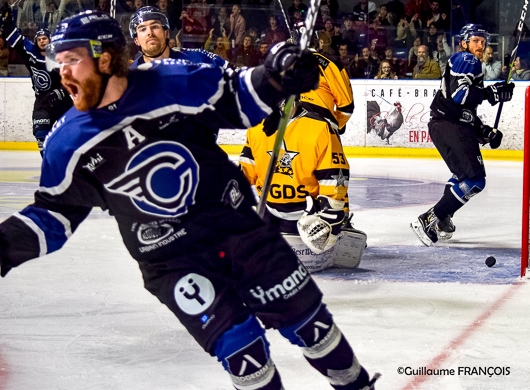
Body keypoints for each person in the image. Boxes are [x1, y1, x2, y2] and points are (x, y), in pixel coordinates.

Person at [0, 9, 376, 390]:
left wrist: (279, 74)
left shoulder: (172, 81)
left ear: (106, 58)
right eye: (58, 62)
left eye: (72, 60)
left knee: (315, 330)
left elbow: (241, 95)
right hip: (171, 262)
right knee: (246, 358)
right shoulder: (68, 142)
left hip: (238, 230)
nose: (62, 74)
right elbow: (52, 216)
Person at [239, 49, 366, 271]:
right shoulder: (257, 128)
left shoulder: (319, 129)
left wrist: (331, 217)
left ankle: (340, 227)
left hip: (307, 216)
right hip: (269, 209)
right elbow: (243, 176)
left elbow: (334, 184)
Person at [411, 24, 514, 246]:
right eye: (476, 40)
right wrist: (490, 93)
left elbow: (464, 110)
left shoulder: (469, 64)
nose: (481, 45)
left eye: (483, 42)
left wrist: (484, 131)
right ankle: (431, 217)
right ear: (464, 43)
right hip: (449, 125)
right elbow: (460, 95)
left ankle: (442, 219)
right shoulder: (467, 60)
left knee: (462, 177)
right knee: (475, 180)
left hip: (448, 124)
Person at [0, 5, 72, 155]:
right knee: (41, 138)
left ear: (50, 40)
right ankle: (49, 166)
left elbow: (73, 81)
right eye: (39, 39)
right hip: (42, 102)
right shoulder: (30, 52)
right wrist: (7, 24)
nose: (42, 41)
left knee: (66, 139)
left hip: (62, 102)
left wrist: (59, 92)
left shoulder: (58, 55)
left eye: (45, 38)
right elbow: (16, 41)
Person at [129, 6, 227, 69]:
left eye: (155, 26)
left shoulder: (199, 58)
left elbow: (237, 78)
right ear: (136, 40)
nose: (149, 33)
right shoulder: (129, 77)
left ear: (166, 33)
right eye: (142, 29)